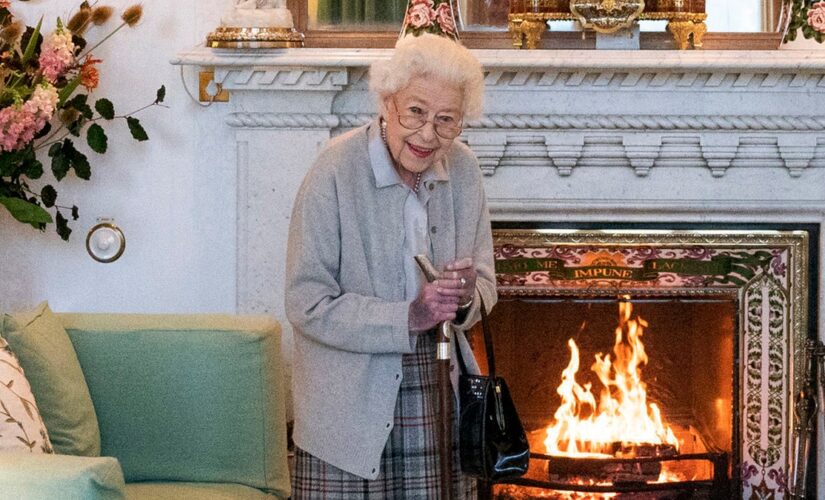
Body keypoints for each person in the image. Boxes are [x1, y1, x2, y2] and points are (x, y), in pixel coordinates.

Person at [285, 33, 496, 499]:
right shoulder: (335, 170)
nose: (427, 135)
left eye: (446, 121)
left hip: (437, 385)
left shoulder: (464, 171)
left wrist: (463, 297)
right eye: (415, 112)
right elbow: (306, 303)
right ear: (386, 101)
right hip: (346, 404)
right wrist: (409, 315)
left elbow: (484, 285)